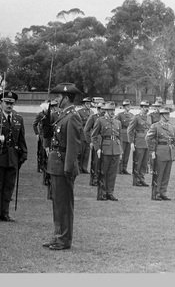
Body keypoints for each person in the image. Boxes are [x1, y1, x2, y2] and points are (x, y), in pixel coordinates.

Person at [41, 82, 83, 251]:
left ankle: (64, 239)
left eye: (58, 96)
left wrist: (68, 168)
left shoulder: (72, 116)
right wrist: (45, 117)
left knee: (64, 204)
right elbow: (48, 134)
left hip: (63, 166)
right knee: (57, 203)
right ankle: (58, 235)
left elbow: (73, 145)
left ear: (66, 98)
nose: (56, 99)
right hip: (56, 164)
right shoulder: (62, 115)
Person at [0, 91, 27, 222]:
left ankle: (5, 213)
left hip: (13, 156)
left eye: (11, 103)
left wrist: (24, 153)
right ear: (1, 103)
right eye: (6, 103)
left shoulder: (18, 119)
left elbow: (21, 139)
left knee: (9, 186)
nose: (9, 105)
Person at [90, 101, 122, 201]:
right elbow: (94, 136)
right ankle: (102, 193)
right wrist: (98, 148)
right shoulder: (100, 120)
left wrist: (120, 151)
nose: (112, 112)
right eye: (110, 110)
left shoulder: (118, 122)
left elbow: (119, 137)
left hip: (115, 149)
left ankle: (110, 192)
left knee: (112, 173)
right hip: (105, 149)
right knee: (103, 172)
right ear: (106, 111)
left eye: (113, 110)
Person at [146, 107, 175, 201]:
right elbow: (148, 138)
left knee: (166, 174)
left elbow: (174, 140)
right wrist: (152, 151)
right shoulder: (155, 126)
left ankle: (163, 192)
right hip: (160, 151)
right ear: (162, 115)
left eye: (169, 114)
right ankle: (156, 193)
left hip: (169, 151)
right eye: (167, 114)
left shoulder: (171, 126)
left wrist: (174, 151)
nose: (168, 116)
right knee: (159, 174)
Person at [127, 100, 152, 186]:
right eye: (145, 107)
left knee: (144, 162)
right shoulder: (136, 117)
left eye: (147, 107)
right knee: (138, 161)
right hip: (139, 142)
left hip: (147, 142)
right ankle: (136, 180)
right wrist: (131, 143)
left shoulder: (149, 118)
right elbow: (129, 130)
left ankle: (141, 178)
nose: (146, 109)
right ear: (141, 108)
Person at [83, 98, 104, 185]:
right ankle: (94, 179)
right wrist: (90, 142)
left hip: (103, 142)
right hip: (95, 142)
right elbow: (86, 130)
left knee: (102, 162)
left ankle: (99, 178)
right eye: (102, 109)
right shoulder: (93, 117)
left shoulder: (105, 118)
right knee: (95, 161)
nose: (103, 111)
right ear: (98, 109)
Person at [115, 100, 134, 175]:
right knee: (121, 152)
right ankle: (119, 169)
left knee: (127, 153)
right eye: (127, 106)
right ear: (124, 107)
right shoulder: (120, 115)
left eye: (129, 106)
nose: (128, 107)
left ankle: (124, 168)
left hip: (129, 136)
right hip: (122, 134)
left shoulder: (132, 115)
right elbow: (116, 124)